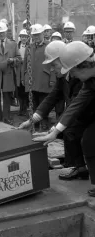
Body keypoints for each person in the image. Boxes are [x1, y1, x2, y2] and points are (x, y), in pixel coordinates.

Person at [34, 41, 95, 195]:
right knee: (87, 140)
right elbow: (77, 103)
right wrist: (55, 131)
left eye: (73, 71)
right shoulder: (89, 81)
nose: (72, 74)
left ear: (82, 65)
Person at [19, 40, 86, 178]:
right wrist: (33, 120)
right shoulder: (62, 77)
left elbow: (75, 106)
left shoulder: (80, 78)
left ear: (64, 60)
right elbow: (52, 97)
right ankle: (72, 164)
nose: (51, 69)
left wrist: (54, 129)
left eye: (53, 65)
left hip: (87, 115)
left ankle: (79, 167)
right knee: (68, 131)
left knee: (71, 132)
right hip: (77, 113)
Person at [22, 24, 56, 131]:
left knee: (43, 104)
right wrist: (23, 78)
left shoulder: (49, 46)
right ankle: (34, 124)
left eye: (38, 35)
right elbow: (25, 64)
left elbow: (54, 64)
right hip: (31, 80)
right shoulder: (29, 47)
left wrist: (52, 79)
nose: (36, 37)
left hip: (44, 80)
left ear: (42, 34)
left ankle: (44, 123)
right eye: (34, 35)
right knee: (33, 104)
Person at [16, 29, 29, 116]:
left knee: (26, 90)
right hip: (18, 70)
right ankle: (21, 107)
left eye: (25, 37)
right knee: (19, 90)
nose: (24, 38)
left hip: (26, 70)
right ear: (20, 37)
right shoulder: (17, 46)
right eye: (22, 37)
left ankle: (25, 107)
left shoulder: (30, 46)